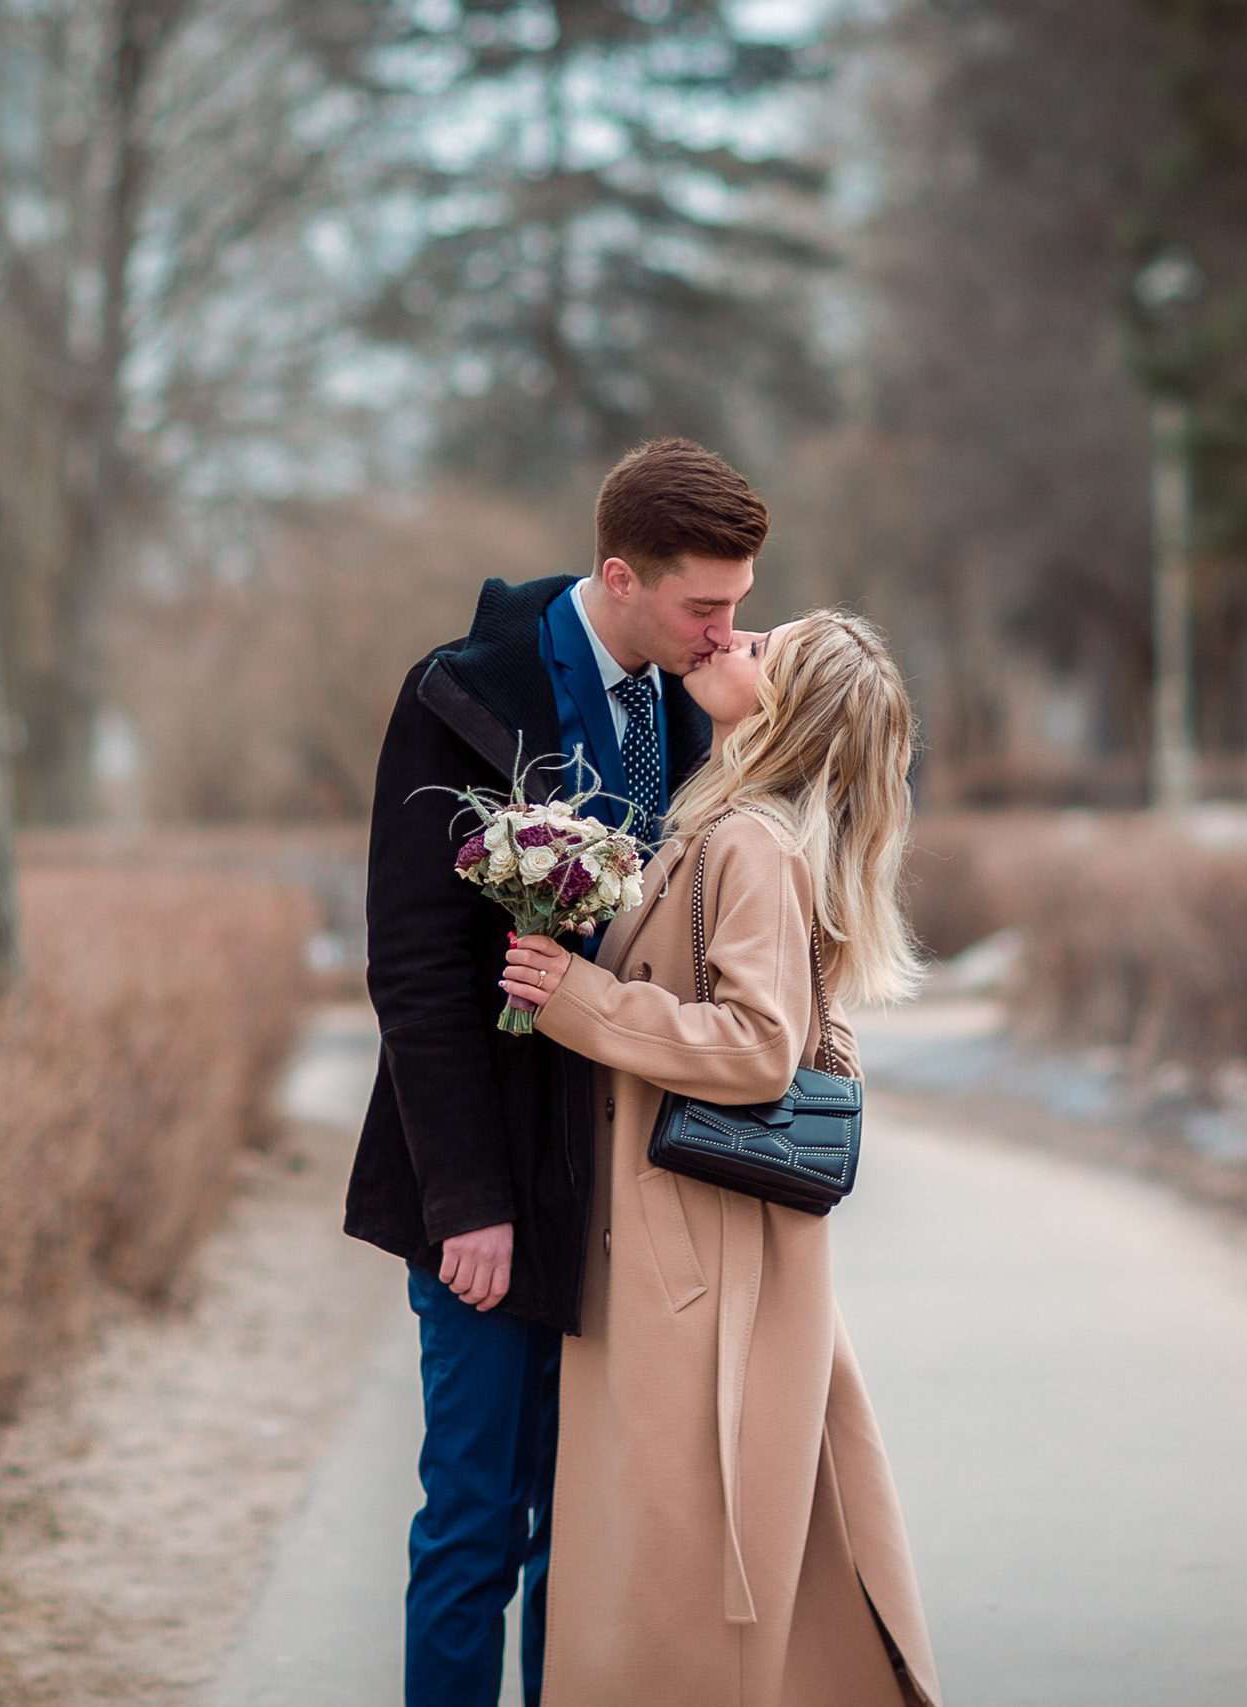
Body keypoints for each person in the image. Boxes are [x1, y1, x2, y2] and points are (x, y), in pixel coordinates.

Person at [346, 439, 770, 1706]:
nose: (725, 630)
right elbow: (416, 970)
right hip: (495, 1184)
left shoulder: (708, 704)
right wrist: (463, 1198)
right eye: (705, 605)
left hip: (644, 1187)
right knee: (479, 1521)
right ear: (620, 574)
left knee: (596, 1535)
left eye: (739, 604)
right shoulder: (456, 696)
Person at [499, 611, 942, 1707]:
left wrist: (581, 999)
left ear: (783, 705)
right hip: (704, 1249)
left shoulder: (749, 842)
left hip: (692, 1265)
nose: (726, 642)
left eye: (759, 648)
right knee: (694, 1561)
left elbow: (757, 1049)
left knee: (674, 1573)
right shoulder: (742, 826)